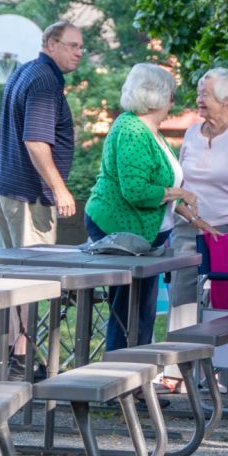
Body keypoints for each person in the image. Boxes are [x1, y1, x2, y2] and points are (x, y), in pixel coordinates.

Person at [0, 20, 83, 379]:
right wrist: (59, 188)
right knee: (31, 281)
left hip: (5, 188)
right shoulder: (45, 80)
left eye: (81, 47)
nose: (78, 53)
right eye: (71, 45)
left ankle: (12, 356)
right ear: (50, 44)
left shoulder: (26, 71)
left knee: (17, 278)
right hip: (28, 196)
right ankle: (18, 360)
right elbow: (35, 141)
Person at [167, 68, 228, 392]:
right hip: (190, 228)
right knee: (182, 298)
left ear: (227, 100)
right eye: (198, 92)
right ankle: (178, 372)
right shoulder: (193, 134)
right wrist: (189, 216)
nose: (199, 99)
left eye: (205, 93)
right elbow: (180, 185)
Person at [84, 63, 197, 352]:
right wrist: (178, 192)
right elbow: (135, 190)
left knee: (141, 313)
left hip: (144, 236)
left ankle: (136, 380)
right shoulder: (132, 129)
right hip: (121, 231)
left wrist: (182, 208)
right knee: (128, 313)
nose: (174, 100)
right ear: (159, 96)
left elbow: (157, 181)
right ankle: (121, 380)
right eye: (172, 93)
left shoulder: (150, 130)